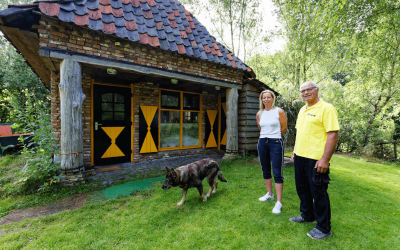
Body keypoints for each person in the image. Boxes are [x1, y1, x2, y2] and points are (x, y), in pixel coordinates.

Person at [289, 81, 339, 240]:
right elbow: (301, 133)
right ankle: (307, 215)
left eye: (308, 89)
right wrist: (295, 151)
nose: (305, 93)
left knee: (319, 193)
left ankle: (324, 228)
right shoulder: (303, 109)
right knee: (302, 189)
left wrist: (325, 159)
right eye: (302, 91)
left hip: (316, 159)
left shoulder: (326, 108)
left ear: (316, 90)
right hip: (300, 157)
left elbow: (332, 134)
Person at [256, 90, 287, 214]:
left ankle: (278, 202)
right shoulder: (259, 113)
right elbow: (261, 128)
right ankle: (270, 194)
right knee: (265, 169)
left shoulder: (279, 111)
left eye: (269, 97)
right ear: (261, 99)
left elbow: (284, 127)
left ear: (273, 99)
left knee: (277, 172)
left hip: (276, 143)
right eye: (264, 98)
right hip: (262, 142)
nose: (266, 99)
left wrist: (276, 137)